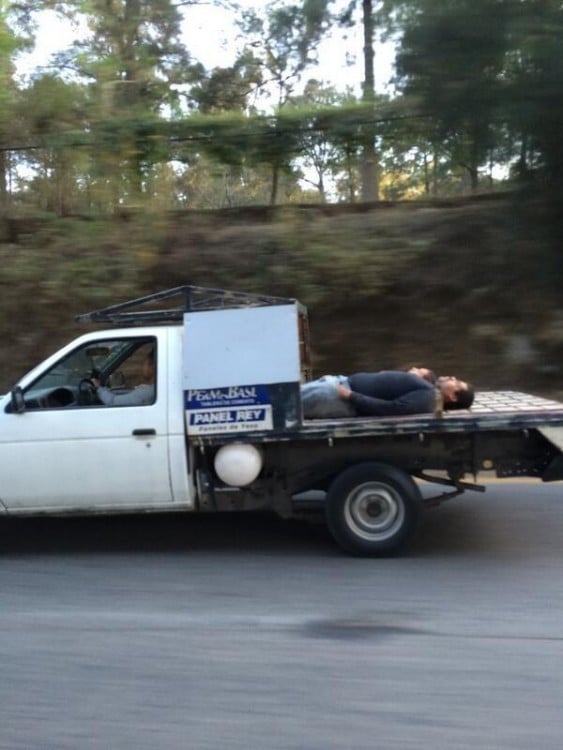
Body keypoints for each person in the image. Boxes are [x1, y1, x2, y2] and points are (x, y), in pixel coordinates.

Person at [301, 370, 474, 419]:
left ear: (453, 397)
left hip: (337, 397)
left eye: (456, 382)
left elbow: (390, 409)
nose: (452, 377)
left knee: (281, 406)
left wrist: (349, 395)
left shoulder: (428, 397)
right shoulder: (429, 391)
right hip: (340, 385)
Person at [91, 349, 156, 406]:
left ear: (152, 366)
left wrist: (98, 388)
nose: (143, 367)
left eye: (145, 363)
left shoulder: (147, 392)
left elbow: (112, 402)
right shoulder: (152, 390)